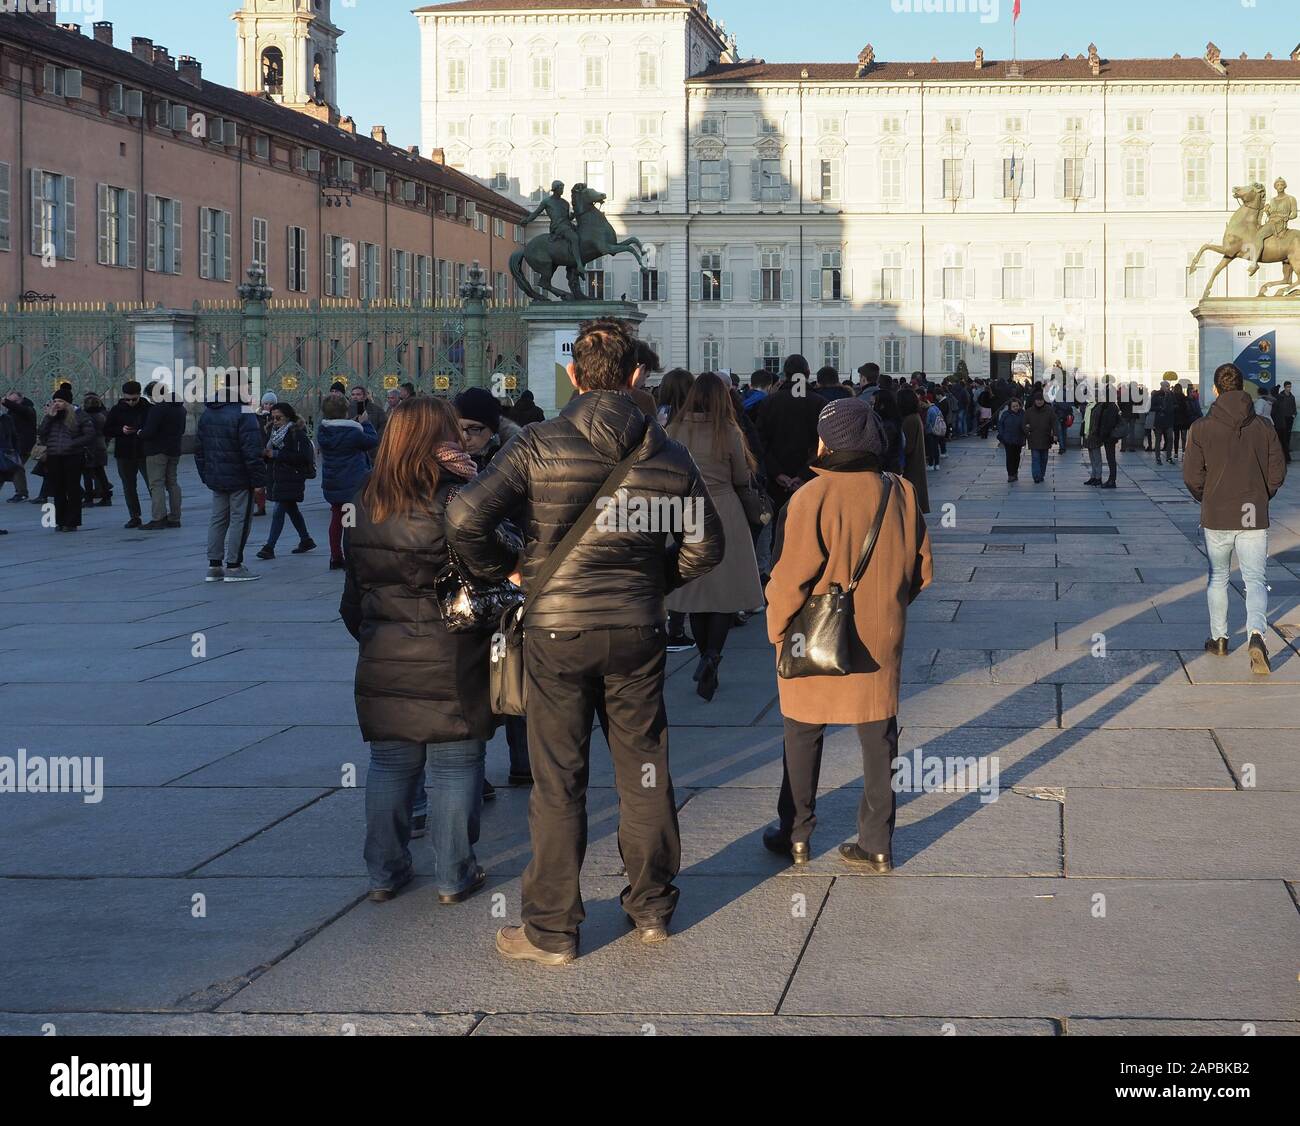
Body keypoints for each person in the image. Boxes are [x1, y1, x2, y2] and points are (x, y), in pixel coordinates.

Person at [447, 317, 723, 964]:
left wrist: (504, 570)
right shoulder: (668, 453)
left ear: (574, 375)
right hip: (635, 630)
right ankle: (652, 907)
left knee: (558, 780)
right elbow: (708, 546)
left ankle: (551, 929)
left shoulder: (538, 443)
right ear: (634, 377)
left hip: (556, 628)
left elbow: (463, 514)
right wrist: (651, 583)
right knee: (645, 768)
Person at [341, 396, 499, 905]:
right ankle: (454, 875)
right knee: (455, 766)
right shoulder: (458, 496)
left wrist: (377, 632)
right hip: (453, 650)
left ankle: (384, 873)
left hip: (384, 651)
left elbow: (352, 595)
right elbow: (494, 564)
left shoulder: (365, 499)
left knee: (390, 764)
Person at [763, 399, 933, 871]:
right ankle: (877, 842)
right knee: (879, 736)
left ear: (827, 441)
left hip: (811, 635)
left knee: (801, 733)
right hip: (880, 635)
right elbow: (921, 571)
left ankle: (795, 835)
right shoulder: (899, 492)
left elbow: (790, 578)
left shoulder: (810, 496)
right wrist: (888, 609)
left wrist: (776, 630)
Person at [664, 372, 766, 701]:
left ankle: (703, 653)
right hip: (724, 510)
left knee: (696, 592)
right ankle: (712, 656)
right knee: (723, 596)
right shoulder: (729, 430)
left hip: (687, 512)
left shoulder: (675, 429)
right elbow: (741, 474)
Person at [1183, 363, 1286, 674]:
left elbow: (1191, 475)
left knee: (1218, 578)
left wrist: (1207, 497)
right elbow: (1277, 472)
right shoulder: (1264, 426)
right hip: (1253, 513)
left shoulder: (1200, 428)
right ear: (1243, 389)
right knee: (1255, 580)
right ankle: (1256, 634)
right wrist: (1260, 496)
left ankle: (1220, 639)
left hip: (1216, 514)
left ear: (1216, 390)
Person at [195, 382, 267, 582]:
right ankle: (234, 566)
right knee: (240, 520)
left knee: (218, 519)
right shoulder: (244, 413)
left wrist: (206, 474)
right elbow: (252, 451)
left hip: (216, 475)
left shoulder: (208, 412)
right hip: (240, 476)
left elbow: (199, 448)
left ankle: (214, 565)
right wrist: (259, 480)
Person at [752, 355, 826, 512]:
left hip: (778, 480)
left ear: (785, 374)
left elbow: (760, 443)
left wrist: (777, 473)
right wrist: (804, 474)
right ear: (807, 373)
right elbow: (824, 443)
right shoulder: (819, 402)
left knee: (779, 529)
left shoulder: (770, 402)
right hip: (811, 478)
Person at [318, 395, 379, 571]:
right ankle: (350, 557)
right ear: (346, 411)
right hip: (351, 483)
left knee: (337, 519)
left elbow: (342, 435)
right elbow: (371, 441)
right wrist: (365, 423)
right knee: (350, 522)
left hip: (333, 481)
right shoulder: (354, 431)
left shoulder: (323, 431)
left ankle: (335, 556)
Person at [255, 402, 317, 560]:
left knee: (279, 510)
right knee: (292, 509)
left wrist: (276, 455)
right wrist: (266, 456)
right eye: (273, 417)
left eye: (278, 418)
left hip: (292, 477)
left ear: (288, 417)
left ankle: (269, 546)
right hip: (278, 477)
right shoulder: (272, 432)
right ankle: (306, 539)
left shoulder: (297, 433)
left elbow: (303, 457)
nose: (275, 421)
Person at [38, 386, 96, 532]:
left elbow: (89, 435)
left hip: (73, 456)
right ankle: (60, 520)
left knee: (73, 488)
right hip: (54, 456)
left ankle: (72, 522)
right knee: (58, 489)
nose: (57, 403)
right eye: (55, 400)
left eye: (61, 401)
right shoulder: (51, 416)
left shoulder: (79, 415)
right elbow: (42, 433)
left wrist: (73, 444)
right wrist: (49, 417)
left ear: (68, 402)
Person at [103, 381, 151, 528]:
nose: (130, 402)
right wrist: (121, 430)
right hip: (124, 452)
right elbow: (107, 430)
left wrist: (139, 430)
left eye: (134, 399)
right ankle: (134, 516)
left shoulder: (148, 408)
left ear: (139, 395)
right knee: (128, 486)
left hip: (144, 451)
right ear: (123, 396)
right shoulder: (117, 410)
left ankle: (159, 514)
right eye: (127, 399)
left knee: (153, 485)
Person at [140, 382, 186, 530]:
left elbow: (150, 432)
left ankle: (158, 518)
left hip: (156, 450)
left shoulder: (158, 409)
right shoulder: (180, 408)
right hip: (174, 449)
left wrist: (140, 432)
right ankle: (175, 517)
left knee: (156, 484)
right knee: (172, 483)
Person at [453, 387, 523, 470]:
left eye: (474, 429)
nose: (464, 437)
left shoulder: (518, 459)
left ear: (492, 430)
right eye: (458, 428)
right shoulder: (440, 461)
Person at [896, 387, 930, 513]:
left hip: (911, 466)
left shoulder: (909, 420)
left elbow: (908, 447)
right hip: (915, 463)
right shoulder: (914, 417)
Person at [1082, 385, 1122, 488]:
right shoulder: (1106, 405)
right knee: (1107, 458)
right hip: (1104, 435)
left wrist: (1101, 433)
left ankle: (1111, 480)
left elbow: (1108, 422)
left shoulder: (1110, 406)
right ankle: (1105, 478)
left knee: (1110, 459)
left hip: (1109, 436)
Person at [2, 391, 37, 503]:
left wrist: (5, 402)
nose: (13, 404)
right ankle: (21, 493)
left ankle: (22, 493)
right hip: (12, 446)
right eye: (10, 401)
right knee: (5, 468)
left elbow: (21, 410)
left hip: (24, 445)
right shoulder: (12, 411)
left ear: (22, 399)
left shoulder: (28, 408)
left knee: (16, 468)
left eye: (15, 401)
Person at [79, 392, 113, 507]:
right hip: (101, 445)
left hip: (89, 447)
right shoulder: (101, 415)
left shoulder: (86, 417)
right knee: (100, 472)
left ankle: (88, 498)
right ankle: (106, 496)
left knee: (87, 473)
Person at [1023, 389, 1058, 484]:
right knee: (1035, 458)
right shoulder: (1029, 412)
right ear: (1034, 401)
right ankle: (1036, 476)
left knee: (1044, 458)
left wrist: (1055, 434)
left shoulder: (1049, 410)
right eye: (1037, 400)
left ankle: (1041, 474)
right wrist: (1027, 431)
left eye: (1041, 400)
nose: (1039, 402)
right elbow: (1024, 424)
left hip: (1045, 438)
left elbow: (1054, 422)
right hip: (1033, 438)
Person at [253, 393, 278, 516]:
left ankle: (272, 500)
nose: (268, 406)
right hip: (259, 450)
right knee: (259, 481)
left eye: (271, 403)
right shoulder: (257, 416)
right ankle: (260, 506)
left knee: (270, 479)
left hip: (271, 451)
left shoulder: (277, 417)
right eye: (266, 403)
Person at [996, 395, 1027, 482]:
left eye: (1017, 406)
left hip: (1018, 439)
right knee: (1009, 457)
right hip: (1008, 439)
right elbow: (1000, 424)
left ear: (1019, 406)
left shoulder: (1023, 414)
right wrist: (1002, 435)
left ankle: (1015, 472)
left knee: (1016, 457)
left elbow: (1025, 425)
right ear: (1010, 407)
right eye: (1013, 406)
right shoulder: (1006, 414)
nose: (1015, 408)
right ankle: (1010, 474)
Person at [1274, 380, 1296, 464]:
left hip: (1290, 417)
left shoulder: (1292, 397)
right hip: (1282, 418)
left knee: (1288, 433)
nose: (1289, 388)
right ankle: (1283, 449)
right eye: (1288, 387)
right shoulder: (1280, 396)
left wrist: (1294, 414)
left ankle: (1287, 447)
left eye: (1290, 387)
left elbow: (1293, 406)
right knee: (1283, 434)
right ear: (1284, 387)